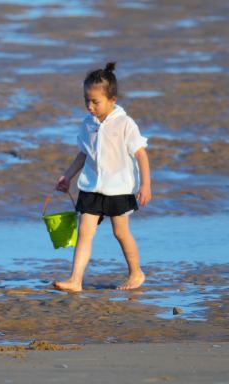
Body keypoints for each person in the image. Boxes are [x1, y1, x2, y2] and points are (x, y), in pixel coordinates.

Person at [53, 62, 152, 292]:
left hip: (118, 188)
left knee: (120, 232)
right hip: (91, 186)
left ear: (112, 99)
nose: (90, 106)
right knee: (85, 232)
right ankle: (75, 280)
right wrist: (67, 176)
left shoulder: (125, 123)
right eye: (86, 100)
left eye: (95, 101)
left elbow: (141, 154)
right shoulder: (87, 124)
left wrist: (146, 185)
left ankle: (136, 272)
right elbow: (83, 154)